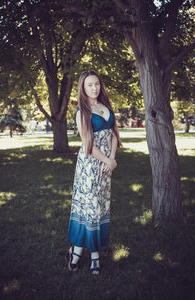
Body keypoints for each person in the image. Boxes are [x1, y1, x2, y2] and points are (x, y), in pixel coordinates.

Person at [66, 71, 121, 275]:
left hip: (107, 165)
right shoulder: (82, 112)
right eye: (89, 85)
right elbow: (88, 145)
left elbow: (114, 134)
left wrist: (112, 159)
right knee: (89, 209)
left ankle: (77, 252)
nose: (94, 88)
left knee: (99, 207)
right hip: (91, 166)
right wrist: (107, 160)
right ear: (83, 88)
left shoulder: (105, 106)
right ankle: (91, 256)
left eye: (96, 84)